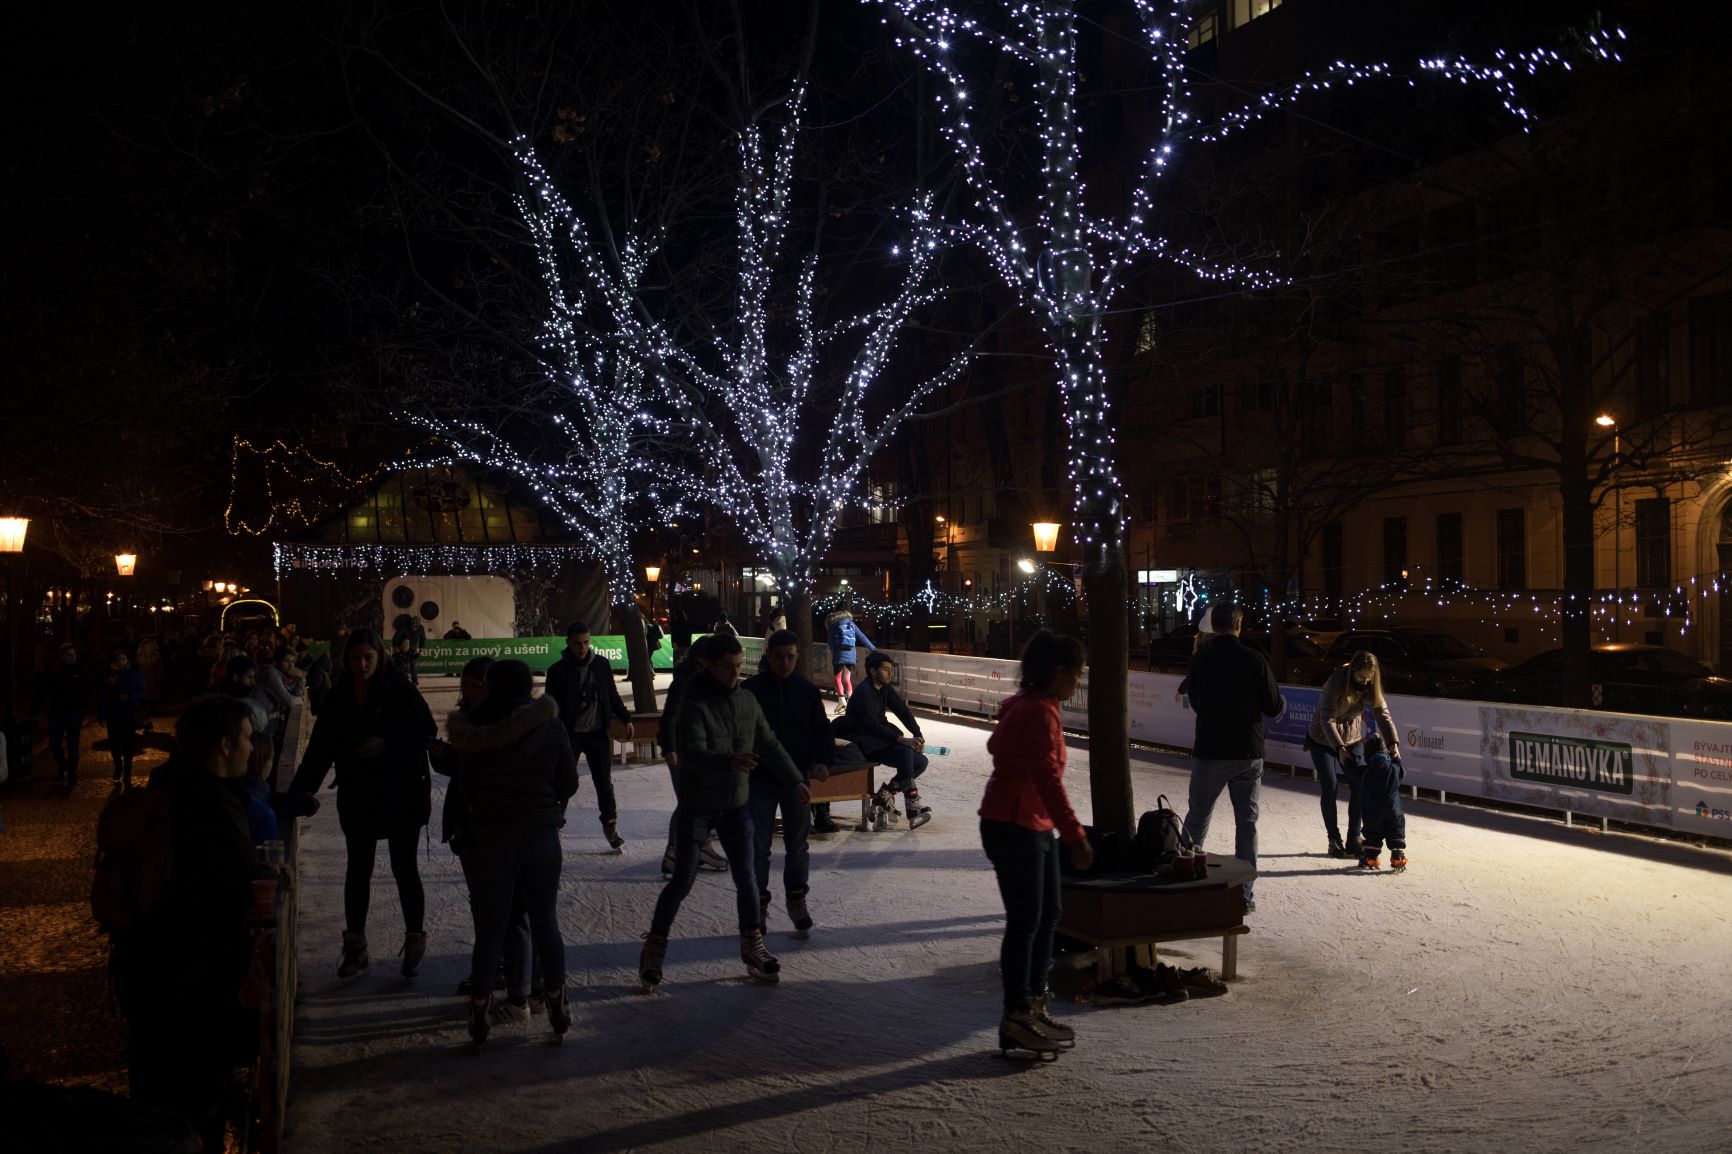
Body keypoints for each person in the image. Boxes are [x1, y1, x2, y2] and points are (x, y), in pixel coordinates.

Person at [109, 696, 268, 1153]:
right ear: (223, 744)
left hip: (149, 980)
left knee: (158, 1110)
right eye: (246, 738)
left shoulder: (170, 791)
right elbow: (230, 894)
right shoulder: (211, 809)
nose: (251, 748)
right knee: (191, 1116)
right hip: (189, 993)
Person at [638, 633, 809, 990]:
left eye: (738, 666)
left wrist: (794, 780)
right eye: (728, 667)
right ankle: (655, 944)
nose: (735, 673)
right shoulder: (695, 705)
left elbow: (769, 743)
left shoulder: (746, 701)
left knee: (746, 877)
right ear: (709, 665)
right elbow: (694, 754)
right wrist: (729, 762)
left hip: (735, 807)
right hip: (698, 808)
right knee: (683, 880)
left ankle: (752, 943)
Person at [289, 629, 438, 978]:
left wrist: (387, 744)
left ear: (380, 657)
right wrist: (301, 790)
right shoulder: (340, 696)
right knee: (358, 868)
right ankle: (355, 945)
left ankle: (415, 939)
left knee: (404, 868)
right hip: (359, 794)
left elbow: (425, 732)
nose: (362, 664)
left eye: (368, 657)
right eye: (356, 658)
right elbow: (320, 749)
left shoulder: (400, 689)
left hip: (401, 793)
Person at [445, 660, 579, 1042]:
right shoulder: (550, 724)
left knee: (491, 927)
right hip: (539, 833)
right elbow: (568, 782)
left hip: (491, 837)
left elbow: (466, 788)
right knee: (545, 922)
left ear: (490, 686)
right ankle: (556, 1003)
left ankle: (479, 1009)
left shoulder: (472, 730)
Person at [980, 630, 1094, 1056]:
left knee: (1048, 915)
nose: (1078, 683)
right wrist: (1076, 836)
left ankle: (1034, 1003)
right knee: (1027, 920)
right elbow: (1046, 778)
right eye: (1076, 674)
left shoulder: (1036, 706)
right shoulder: (1037, 713)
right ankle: (1017, 1013)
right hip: (1015, 824)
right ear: (1058, 671)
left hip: (1029, 823)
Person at [1179, 602, 1283, 914]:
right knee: (1247, 823)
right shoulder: (1254, 659)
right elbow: (1273, 706)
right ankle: (1244, 894)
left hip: (1211, 748)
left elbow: (1194, 700)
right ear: (1238, 626)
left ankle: (1184, 884)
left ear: (1215, 625)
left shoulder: (1201, 659)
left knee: (1198, 817)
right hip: (1248, 751)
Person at [742, 629, 834, 936]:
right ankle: (759, 904)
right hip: (760, 780)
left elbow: (822, 730)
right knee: (759, 847)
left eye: (790, 657)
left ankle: (797, 899)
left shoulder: (806, 691)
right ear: (768, 656)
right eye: (779, 656)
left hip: (797, 779)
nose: (785, 663)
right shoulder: (751, 690)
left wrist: (823, 760)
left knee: (797, 845)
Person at [544, 620, 634, 850]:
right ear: (568, 643)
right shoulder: (557, 671)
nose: (582, 648)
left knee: (604, 783)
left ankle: (610, 825)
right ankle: (553, 826)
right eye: (577, 644)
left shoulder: (601, 665)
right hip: (569, 735)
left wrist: (625, 718)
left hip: (596, 734)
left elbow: (611, 694)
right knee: (563, 783)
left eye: (585, 642)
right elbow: (550, 707)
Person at [1304, 651, 1399, 859]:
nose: (1365, 682)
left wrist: (1393, 743)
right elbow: (1326, 719)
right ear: (1352, 671)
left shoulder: (1371, 686)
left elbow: (1383, 715)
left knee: (1360, 785)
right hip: (1323, 738)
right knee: (1330, 785)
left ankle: (1353, 838)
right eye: (1361, 677)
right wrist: (1339, 748)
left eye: (1368, 678)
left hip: (1352, 739)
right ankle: (1333, 840)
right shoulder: (1336, 681)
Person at [657, 636, 729, 877]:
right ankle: (676, 852)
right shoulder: (686, 680)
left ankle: (699, 847)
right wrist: (670, 748)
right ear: (702, 658)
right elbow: (671, 715)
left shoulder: (709, 679)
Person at [836, 650, 931, 828]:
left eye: (891, 669)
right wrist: (902, 740)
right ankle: (912, 806)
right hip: (864, 742)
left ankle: (884, 796)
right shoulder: (864, 692)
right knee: (905, 753)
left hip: (879, 740)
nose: (890, 673)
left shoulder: (884, 688)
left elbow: (902, 710)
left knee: (921, 762)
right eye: (886, 669)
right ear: (873, 671)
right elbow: (871, 725)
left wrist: (917, 734)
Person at [39, 643, 95, 786]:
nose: (72, 657)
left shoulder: (81, 670)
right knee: (54, 744)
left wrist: (82, 706)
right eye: (69, 655)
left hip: (74, 713)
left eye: (74, 655)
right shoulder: (55, 671)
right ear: (62, 656)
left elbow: (90, 688)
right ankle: (63, 765)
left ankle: (71, 772)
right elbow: (45, 689)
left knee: (72, 745)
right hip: (57, 713)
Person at [1355, 732, 1409, 871]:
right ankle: (1398, 856)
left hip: (1373, 812)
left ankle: (1371, 857)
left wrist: (1348, 758)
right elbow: (1402, 768)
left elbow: (1351, 770)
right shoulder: (1395, 769)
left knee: (1373, 832)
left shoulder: (1366, 771)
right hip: (1394, 810)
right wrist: (1396, 756)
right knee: (1396, 830)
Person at [97, 649, 149, 790]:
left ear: (127, 660)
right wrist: (101, 715)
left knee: (128, 745)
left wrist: (130, 696)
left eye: (123, 658)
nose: (121, 661)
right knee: (114, 744)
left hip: (128, 714)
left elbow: (143, 692)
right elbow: (103, 696)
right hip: (113, 715)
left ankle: (127, 772)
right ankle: (118, 766)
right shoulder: (108, 675)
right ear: (114, 662)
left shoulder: (134, 673)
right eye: (118, 659)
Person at [826, 608, 875, 715]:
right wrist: (874, 649)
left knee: (837, 678)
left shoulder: (833, 625)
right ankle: (852, 703)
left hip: (839, 653)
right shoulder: (852, 624)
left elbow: (830, 642)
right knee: (847, 679)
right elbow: (862, 637)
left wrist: (835, 653)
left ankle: (842, 701)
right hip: (851, 654)